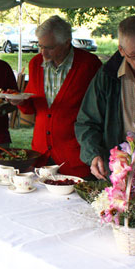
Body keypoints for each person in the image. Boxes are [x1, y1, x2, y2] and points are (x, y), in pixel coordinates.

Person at [76, 16, 135, 180]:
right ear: (121, 50)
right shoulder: (107, 76)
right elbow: (87, 123)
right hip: (119, 174)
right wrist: (93, 155)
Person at [13, 16, 102, 178]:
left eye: (49, 47)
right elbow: (32, 107)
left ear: (67, 42)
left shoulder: (89, 65)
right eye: (40, 46)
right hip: (41, 155)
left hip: (75, 156)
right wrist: (20, 102)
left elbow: (98, 111)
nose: (43, 52)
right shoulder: (35, 64)